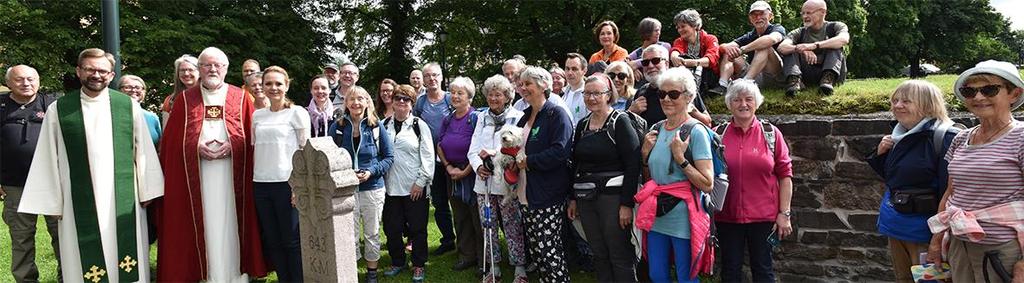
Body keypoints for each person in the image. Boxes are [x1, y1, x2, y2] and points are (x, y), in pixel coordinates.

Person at [19, 48, 163, 282]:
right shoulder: (60, 109)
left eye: (103, 71)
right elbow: (46, 155)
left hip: (124, 198)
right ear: (78, 71)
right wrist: (52, 201)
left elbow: (144, 150)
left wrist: (148, 189)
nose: (97, 75)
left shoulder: (127, 106)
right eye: (90, 69)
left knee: (127, 259)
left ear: (111, 74)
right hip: (76, 200)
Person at [158, 47, 268, 282]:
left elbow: (253, 138)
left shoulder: (240, 97)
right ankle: (205, 275)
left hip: (232, 177)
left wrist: (235, 146)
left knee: (231, 225)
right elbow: (171, 143)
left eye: (218, 65)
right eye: (207, 65)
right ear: (199, 69)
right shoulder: (185, 100)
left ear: (226, 69)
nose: (213, 69)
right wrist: (194, 148)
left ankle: (236, 277)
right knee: (204, 225)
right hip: (199, 178)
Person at [927, 60, 1024, 283]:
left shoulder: (1020, 137)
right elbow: (950, 193)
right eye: (969, 91)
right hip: (959, 244)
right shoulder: (962, 138)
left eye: (989, 89)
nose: (978, 97)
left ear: (1014, 94)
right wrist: (936, 239)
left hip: (1002, 250)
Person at [865, 80, 955, 283]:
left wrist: (938, 237)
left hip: (924, 232)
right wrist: (880, 155)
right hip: (896, 226)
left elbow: (950, 193)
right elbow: (895, 180)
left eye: (906, 101)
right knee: (904, 279)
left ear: (928, 105)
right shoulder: (899, 135)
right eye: (895, 100)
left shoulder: (945, 138)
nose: (897, 106)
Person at [635, 67, 715, 283]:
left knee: (686, 276)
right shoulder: (657, 129)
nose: (666, 99)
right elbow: (651, 177)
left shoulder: (695, 132)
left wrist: (681, 158)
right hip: (656, 214)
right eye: (662, 94)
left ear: (689, 97)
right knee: (657, 275)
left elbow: (707, 183)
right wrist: (644, 155)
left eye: (673, 94)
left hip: (684, 218)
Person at [714, 79, 794, 283]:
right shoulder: (718, 134)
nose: (743, 104)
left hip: (763, 217)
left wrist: (784, 214)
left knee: (763, 271)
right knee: (730, 272)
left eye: (749, 99)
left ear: (756, 103)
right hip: (727, 216)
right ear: (729, 104)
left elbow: (785, 176)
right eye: (737, 100)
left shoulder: (771, 134)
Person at [568, 73, 641, 282]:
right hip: (585, 197)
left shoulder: (621, 121)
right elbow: (576, 163)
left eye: (597, 93)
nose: (591, 98)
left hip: (614, 199)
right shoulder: (582, 125)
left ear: (609, 95)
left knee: (618, 251)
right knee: (598, 252)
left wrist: (626, 204)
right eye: (587, 93)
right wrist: (573, 197)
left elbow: (632, 164)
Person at [1, 65, 61, 283]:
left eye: (31, 79)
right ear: (8, 83)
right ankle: (26, 280)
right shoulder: (1, 107)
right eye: (19, 80)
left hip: (53, 184)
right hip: (15, 185)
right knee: (21, 239)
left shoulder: (54, 104)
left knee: (62, 236)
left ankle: (68, 276)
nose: (26, 83)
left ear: (39, 81)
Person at [514, 66, 574, 282]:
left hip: (547, 194)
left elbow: (560, 151)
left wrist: (529, 161)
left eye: (528, 83)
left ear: (544, 85)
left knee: (549, 251)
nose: (523, 88)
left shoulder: (556, 114)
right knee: (537, 252)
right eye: (521, 84)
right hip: (525, 193)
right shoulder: (525, 116)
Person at [467, 75, 529, 283]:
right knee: (488, 225)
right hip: (484, 183)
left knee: (513, 225)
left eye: (498, 94)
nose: (494, 98)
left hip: (508, 182)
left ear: (507, 96)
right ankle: (493, 267)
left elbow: (520, 146)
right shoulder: (481, 117)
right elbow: (473, 150)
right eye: (491, 94)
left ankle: (519, 267)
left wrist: (496, 154)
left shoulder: (518, 116)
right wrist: (478, 167)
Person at [330, 86, 394, 283]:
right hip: (345, 190)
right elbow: (330, 158)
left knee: (372, 232)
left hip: (372, 188)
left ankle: (371, 272)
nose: (356, 103)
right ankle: (350, 270)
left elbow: (389, 157)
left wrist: (371, 172)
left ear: (367, 102)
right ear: (346, 103)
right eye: (352, 99)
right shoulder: (338, 126)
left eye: (360, 99)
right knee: (348, 233)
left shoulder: (376, 126)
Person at [252, 66, 309, 283]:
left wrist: (298, 186)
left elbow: (305, 152)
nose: (273, 88)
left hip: (287, 184)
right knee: (273, 241)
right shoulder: (257, 115)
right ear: (262, 86)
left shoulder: (297, 113)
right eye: (268, 84)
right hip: (261, 184)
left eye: (278, 83)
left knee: (291, 241)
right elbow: (255, 148)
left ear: (287, 85)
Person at [380, 85, 434, 283]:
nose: (401, 102)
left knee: (417, 228)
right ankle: (397, 261)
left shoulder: (420, 126)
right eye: (398, 98)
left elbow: (428, 156)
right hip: (390, 187)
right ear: (392, 102)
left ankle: (419, 264)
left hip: (415, 187)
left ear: (412, 104)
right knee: (392, 228)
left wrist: (421, 182)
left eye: (406, 99)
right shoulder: (384, 125)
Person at [437, 77, 484, 272]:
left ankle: (484, 259)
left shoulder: (476, 118)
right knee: (460, 216)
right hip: (452, 174)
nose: (455, 96)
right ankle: (466, 255)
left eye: (460, 93)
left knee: (478, 217)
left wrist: (465, 171)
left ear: (470, 97)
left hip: (472, 173)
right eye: (453, 92)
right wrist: (448, 166)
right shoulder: (447, 118)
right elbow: (439, 144)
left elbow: (480, 147)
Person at [414, 62, 457, 255]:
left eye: (435, 75)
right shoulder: (420, 102)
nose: (432, 79)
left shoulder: (450, 99)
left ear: (441, 77)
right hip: (432, 161)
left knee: (459, 202)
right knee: (439, 202)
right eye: (428, 76)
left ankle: (468, 241)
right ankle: (448, 239)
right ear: (423, 80)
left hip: (454, 159)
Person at [713, 0, 787, 95]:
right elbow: (724, 46)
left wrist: (742, 50)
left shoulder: (777, 28)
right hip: (756, 76)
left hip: (775, 76)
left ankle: (745, 84)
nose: (758, 17)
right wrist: (728, 49)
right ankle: (722, 85)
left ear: (770, 16)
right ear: (750, 19)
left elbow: (771, 39)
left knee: (765, 46)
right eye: (754, 15)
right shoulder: (750, 35)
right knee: (730, 50)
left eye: (762, 13)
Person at [778, 0, 850, 96]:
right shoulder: (799, 32)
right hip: (808, 73)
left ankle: (827, 81)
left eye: (808, 13)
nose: (804, 16)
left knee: (835, 45)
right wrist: (801, 49)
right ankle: (794, 82)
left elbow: (844, 39)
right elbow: (781, 47)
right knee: (790, 49)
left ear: (823, 12)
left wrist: (814, 45)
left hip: (835, 73)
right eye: (802, 13)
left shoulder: (836, 26)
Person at [629, 45, 711, 126]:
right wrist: (631, 112)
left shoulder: (683, 86)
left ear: (667, 64)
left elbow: (708, 123)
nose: (650, 66)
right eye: (645, 62)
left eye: (656, 60)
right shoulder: (641, 92)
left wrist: (689, 108)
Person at [669, 9, 722, 96]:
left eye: (683, 26)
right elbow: (675, 50)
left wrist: (691, 63)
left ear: (694, 26)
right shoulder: (679, 41)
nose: (680, 30)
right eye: (678, 27)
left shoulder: (710, 38)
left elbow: (711, 59)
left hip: (709, 78)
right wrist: (674, 57)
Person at [119, 75, 162, 146]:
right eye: (127, 87)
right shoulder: (111, 114)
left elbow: (160, 145)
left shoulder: (152, 118)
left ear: (144, 92)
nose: (133, 90)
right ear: (119, 90)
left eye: (137, 88)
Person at [628, 17, 672, 83]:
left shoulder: (664, 46)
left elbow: (661, 58)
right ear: (647, 32)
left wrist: (636, 64)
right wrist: (632, 69)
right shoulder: (637, 52)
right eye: (656, 30)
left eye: (659, 30)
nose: (658, 33)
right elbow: (625, 62)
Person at [160, 54, 199, 125]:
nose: (186, 73)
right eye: (182, 70)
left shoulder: (208, 97)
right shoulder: (170, 101)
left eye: (190, 70)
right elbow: (166, 130)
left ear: (199, 72)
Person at [563, 53, 591, 125]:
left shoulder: (590, 94)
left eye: (574, 69)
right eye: (567, 68)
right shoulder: (562, 93)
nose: (569, 73)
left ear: (584, 71)